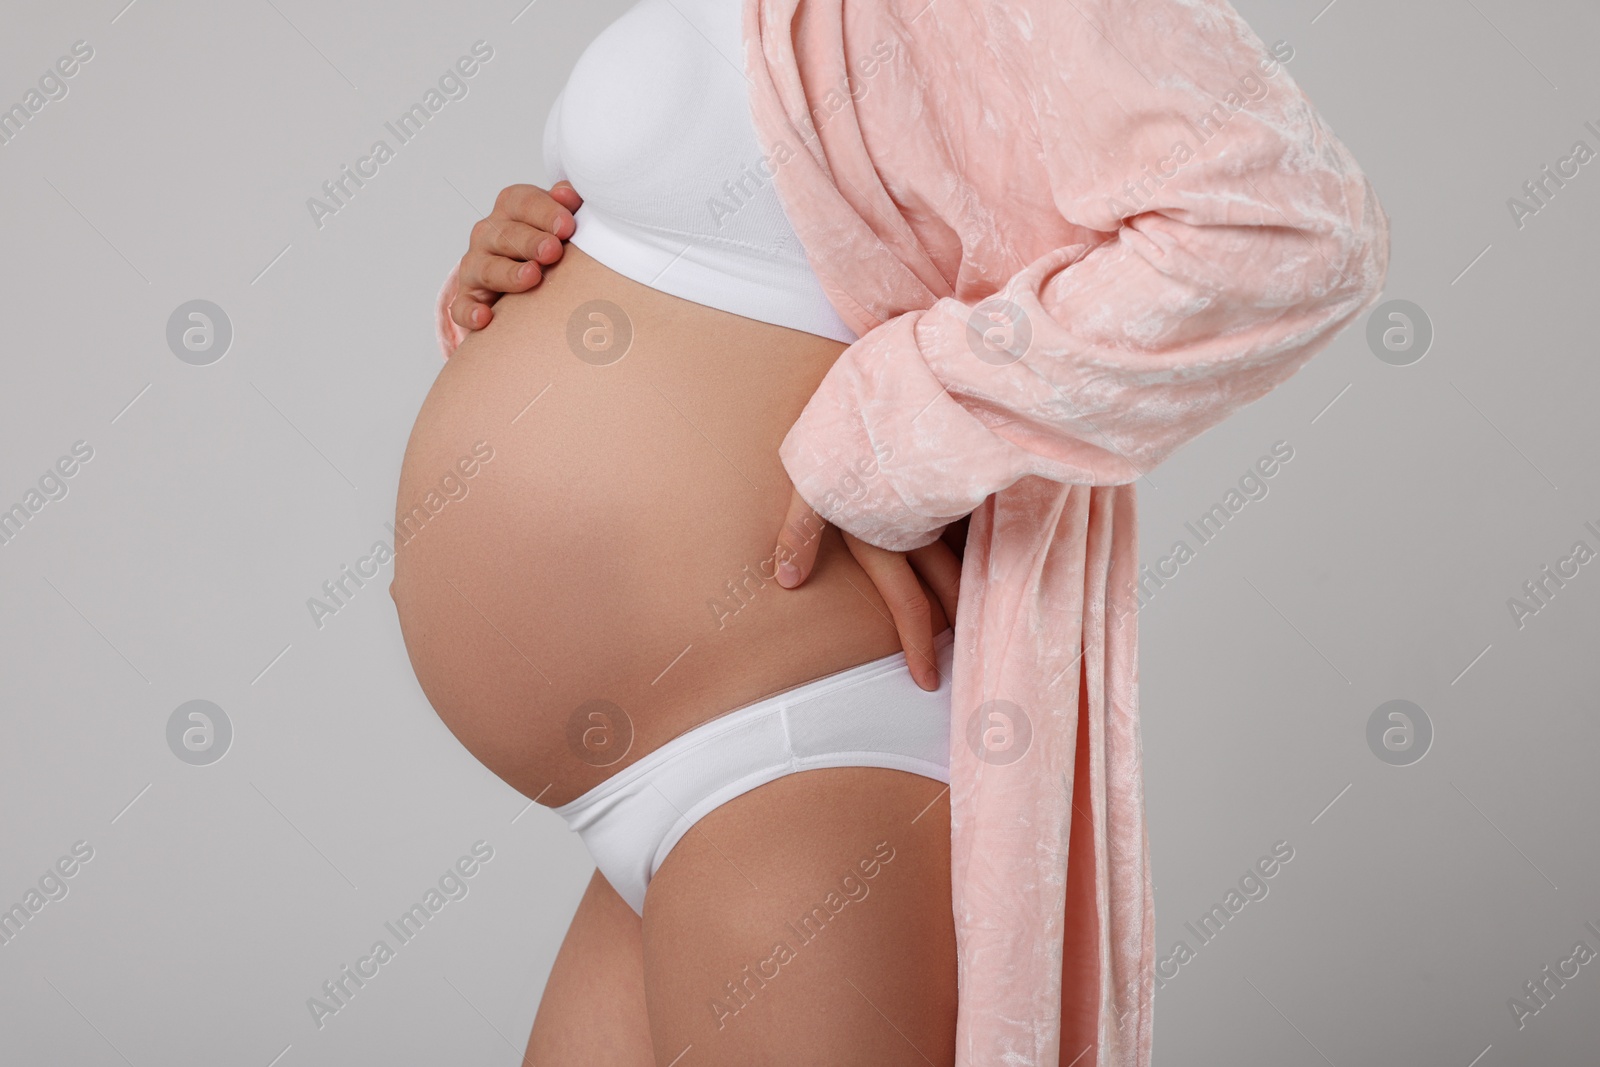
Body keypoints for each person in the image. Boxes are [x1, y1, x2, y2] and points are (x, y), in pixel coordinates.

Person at [393, 0, 1390, 1062]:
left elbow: (1284, 226)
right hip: (689, 793)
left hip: (803, 762)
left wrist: (900, 430)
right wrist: (532, 260)